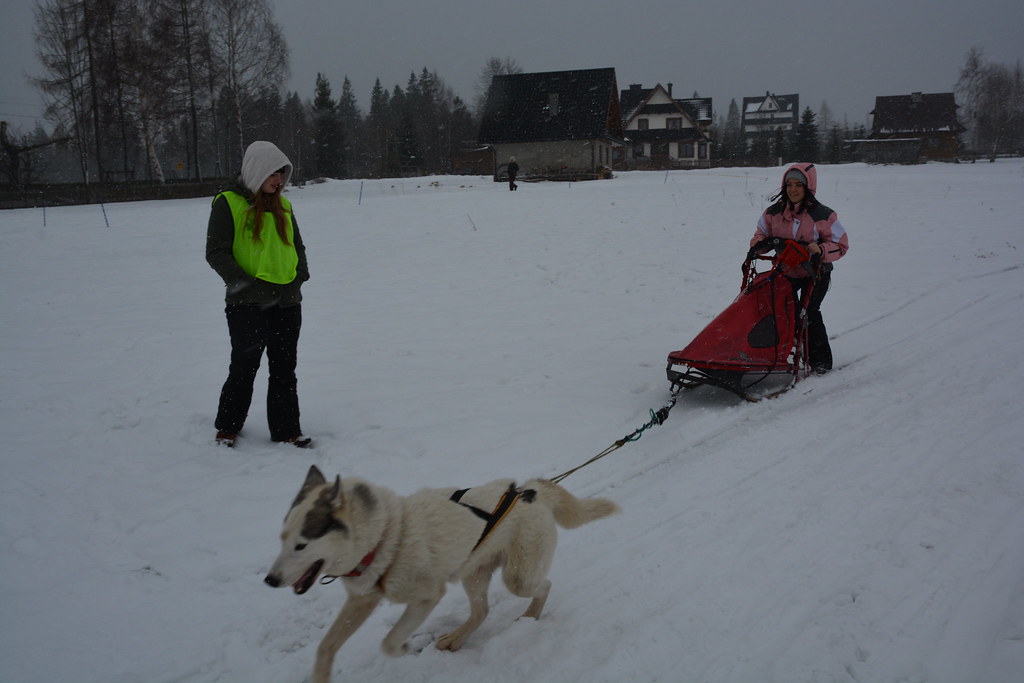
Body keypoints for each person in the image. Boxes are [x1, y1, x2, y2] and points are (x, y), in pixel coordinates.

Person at [206, 141, 312, 448]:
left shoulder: (285, 206)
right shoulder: (228, 202)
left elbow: (298, 247)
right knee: (243, 367)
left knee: (284, 370)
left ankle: (287, 431)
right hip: (247, 305)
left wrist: (298, 277)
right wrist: (247, 286)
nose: (279, 179)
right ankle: (227, 428)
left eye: (282, 172)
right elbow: (216, 252)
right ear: (256, 171)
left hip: (288, 302)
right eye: (273, 172)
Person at [750, 162, 849, 373]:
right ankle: (777, 351)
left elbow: (841, 245)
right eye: (789, 185)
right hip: (786, 271)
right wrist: (758, 243)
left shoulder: (823, 215)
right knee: (779, 311)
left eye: (798, 185)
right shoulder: (773, 213)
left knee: (809, 313)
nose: (793, 189)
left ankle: (820, 361)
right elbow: (761, 232)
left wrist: (821, 250)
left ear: (808, 188)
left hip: (816, 274)